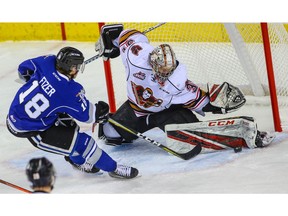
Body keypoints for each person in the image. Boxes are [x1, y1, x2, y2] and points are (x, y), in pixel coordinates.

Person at [95, 24, 273, 150]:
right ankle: (119, 122)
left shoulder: (177, 81)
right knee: (110, 135)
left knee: (194, 137)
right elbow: (127, 35)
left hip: (168, 113)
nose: (164, 75)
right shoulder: (136, 57)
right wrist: (110, 42)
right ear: (153, 63)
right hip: (136, 110)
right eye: (161, 70)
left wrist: (216, 104)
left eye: (168, 71)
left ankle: (246, 136)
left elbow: (198, 99)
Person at [6, 46, 138, 179]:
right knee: (84, 142)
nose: (77, 70)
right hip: (31, 129)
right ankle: (113, 168)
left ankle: (76, 161)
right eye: (77, 67)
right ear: (70, 67)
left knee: (70, 127)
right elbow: (88, 116)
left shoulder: (47, 61)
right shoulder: (68, 90)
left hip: (17, 111)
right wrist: (101, 112)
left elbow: (23, 69)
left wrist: (41, 86)